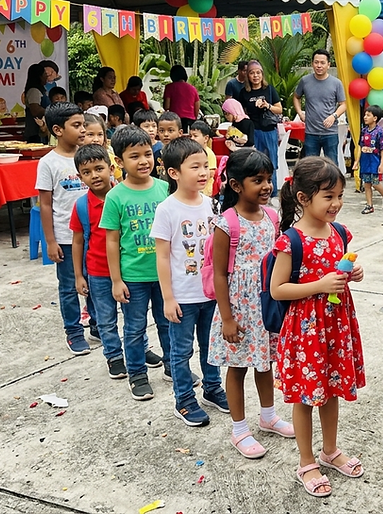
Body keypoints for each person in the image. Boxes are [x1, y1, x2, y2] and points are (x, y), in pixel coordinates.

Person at [270, 157, 365, 498]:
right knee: (305, 397)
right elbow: (277, 289)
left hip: (336, 328)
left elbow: (339, 269)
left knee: (332, 389)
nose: (336, 203)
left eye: (339, 195)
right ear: (303, 198)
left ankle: (330, 449)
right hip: (307, 329)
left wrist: (353, 274)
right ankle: (307, 460)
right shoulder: (290, 241)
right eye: (328, 196)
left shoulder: (340, 232)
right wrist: (320, 285)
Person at [209, 149, 295, 458]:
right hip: (238, 308)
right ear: (235, 185)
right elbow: (220, 274)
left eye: (268, 179)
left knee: (265, 362)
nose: (266, 186)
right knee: (237, 367)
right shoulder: (226, 223)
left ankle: (268, 415)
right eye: (257, 180)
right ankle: (239, 429)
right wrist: (227, 318)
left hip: (266, 305)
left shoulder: (272, 217)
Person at [151, 137, 229, 426]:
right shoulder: (167, 209)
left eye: (205, 166)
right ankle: (183, 400)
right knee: (181, 351)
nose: (203, 172)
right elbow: (161, 257)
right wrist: (168, 298)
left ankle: (212, 389)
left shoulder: (210, 204)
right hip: (182, 297)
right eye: (194, 166)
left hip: (209, 293)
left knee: (212, 347)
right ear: (174, 173)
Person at [100, 127, 172, 401]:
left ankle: (172, 367)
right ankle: (138, 375)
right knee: (134, 328)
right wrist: (116, 280)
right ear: (119, 162)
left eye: (146, 154)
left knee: (168, 324)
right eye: (134, 156)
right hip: (133, 276)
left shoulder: (165, 188)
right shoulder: (115, 196)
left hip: (164, 275)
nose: (143, 161)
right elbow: (111, 241)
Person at [35, 103, 91, 354]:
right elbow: (45, 204)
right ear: (57, 129)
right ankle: (74, 331)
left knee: (96, 282)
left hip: (95, 234)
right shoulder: (48, 163)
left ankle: (99, 325)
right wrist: (50, 240)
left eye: (83, 124)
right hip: (66, 237)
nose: (82, 130)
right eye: (76, 125)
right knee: (69, 285)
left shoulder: (89, 155)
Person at [71, 144, 125, 378]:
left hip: (127, 269)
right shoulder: (82, 206)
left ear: (111, 168)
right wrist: (78, 275)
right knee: (105, 318)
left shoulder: (124, 197)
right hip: (98, 272)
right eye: (87, 172)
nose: (94, 175)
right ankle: (113, 355)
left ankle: (140, 350)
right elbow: (78, 242)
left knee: (135, 317)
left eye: (99, 168)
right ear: (80, 176)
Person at [293, 49, 346, 166]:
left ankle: (332, 185)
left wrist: (334, 116)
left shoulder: (336, 83)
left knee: (332, 165)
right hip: (311, 132)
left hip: (330, 133)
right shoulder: (305, 81)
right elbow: (296, 97)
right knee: (310, 166)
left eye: (322, 63)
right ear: (312, 63)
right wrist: (300, 113)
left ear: (328, 65)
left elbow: (343, 104)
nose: (319, 66)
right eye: (316, 62)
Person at [238, 60, 282, 194]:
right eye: (252, 73)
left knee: (271, 162)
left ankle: (271, 192)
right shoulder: (244, 92)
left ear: (262, 74)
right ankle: (256, 191)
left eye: (258, 73)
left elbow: (279, 109)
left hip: (269, 130)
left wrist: (267, 105)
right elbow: (241, 113)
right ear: (248, 75)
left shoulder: (269, 89)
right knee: (255, 162)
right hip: (253, 131)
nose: (255, 76)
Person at [355, 105, 383, 214]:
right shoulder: (363, 131)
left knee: (375, 183)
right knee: (366, 183)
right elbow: (360, 147)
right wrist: (356, 161)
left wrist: (382, 164)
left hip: (375, 161)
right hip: (365, 161)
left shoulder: (379, 131)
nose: (365, 117)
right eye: (365, 115)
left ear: (375, 118)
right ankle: (369, 205)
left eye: (368, 115)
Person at [84, 113, 123, 182]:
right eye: (90, 134)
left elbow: (120, 183)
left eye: (100, 134)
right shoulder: (74, 159)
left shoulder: (111, 159)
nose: (96, 139)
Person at [188, 120, 221, 198]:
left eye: (195, 136)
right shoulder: (191, 153)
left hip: (206, 189)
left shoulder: (209, 154)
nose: (192, 138)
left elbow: (212, 172)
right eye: (191, 136)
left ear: (206, 138)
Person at [164, 65, 201, 133]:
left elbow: (166, 106)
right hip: (190, 120)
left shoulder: (169, 87)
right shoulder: (193, 88)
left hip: (175, 119)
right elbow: (197, 106)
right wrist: (194, 118)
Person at [23, 63, 48, 143]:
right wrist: (52, 111)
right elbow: (35, 110)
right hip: (35, 132)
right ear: (39, 76)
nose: (46, 76)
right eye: (45, 74)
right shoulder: (34, 91)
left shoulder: (42, 90)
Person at [155, 111, 183, 178]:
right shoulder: (157, 154)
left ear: (180, 133)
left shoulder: (184, 154)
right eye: (162, 131)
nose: (166, 134)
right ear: (157, 132)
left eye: (170, 130)